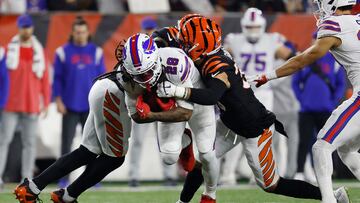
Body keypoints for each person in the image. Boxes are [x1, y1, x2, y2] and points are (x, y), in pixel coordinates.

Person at [155, 15, 349, 203]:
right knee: (202, 160)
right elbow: (167, 35)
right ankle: (182, 201)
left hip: (255, 128)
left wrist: (178, 90)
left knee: (271, 184)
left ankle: (332, 196)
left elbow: (211, 97)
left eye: (187, 40)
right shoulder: (210, 53)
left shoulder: (217, 66)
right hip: (230, 120)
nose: (183, 43)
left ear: (199, 45)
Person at [251, 0, 359, 202]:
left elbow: (304, 59)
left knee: (321, 147)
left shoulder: (335, 26)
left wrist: (268, 76)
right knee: (346, 149)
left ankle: (329, 200)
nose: (318, 9)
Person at [14, 61, 132, 203]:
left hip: (101, 88)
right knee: (115, 158)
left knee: (87, 152)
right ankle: (66, 196)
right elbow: (140, 114)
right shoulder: (152, 60)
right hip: (111, 93)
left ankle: (32, 188)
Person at [123, 33, 219, 203]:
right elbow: (136, 117)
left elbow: (186, 113)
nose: (145, 80)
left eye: (148, 72)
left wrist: (151, 114)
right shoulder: (126, 77)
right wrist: (144, 112)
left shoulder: (174, 62)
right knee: (169, 157)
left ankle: (210, 194)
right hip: (171, 105)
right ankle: (185, 141)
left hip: (196, 103)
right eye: (139, 76)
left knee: (207, 153)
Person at [220, 8, 294, 184]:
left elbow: (292, 57)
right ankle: (229, 173)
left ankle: (263, 173)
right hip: (243, 91)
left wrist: (274, 77)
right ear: (243, 26)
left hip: (262, 92)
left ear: (262, 26)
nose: (253, 30)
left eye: (255, 27)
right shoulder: (234, 40)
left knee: (263, 134)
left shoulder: (272, 40)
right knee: (238, 131)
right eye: (249, 27)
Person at [53, 16, 106, 187]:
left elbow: (103, 80)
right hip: (69, 105)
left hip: (91, 107)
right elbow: (57, 79)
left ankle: (91, 179)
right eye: (77, 32)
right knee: (66, 146)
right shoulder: (62, 52)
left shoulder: (96, 52)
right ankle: (63, 178)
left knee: (93, 147)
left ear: (87, 32)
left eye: (83, 32)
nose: (80, 35)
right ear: (72, 33)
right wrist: (58, 101)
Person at [0, 14, 50, 188]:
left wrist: (46, 100)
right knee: (3, 140)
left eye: (27, 26)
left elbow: (44, 78)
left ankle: (26, 178)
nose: (25, 30)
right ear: (18, 28)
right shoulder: (7, 50)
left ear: (32, 28)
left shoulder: (39, 51)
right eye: (22, 27)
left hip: (32, 103)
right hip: (10, 103)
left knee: (29, 143)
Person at [128, 16, 178, 187]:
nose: (149, 32)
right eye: (146, 29)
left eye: (151, 29)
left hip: (163, 100)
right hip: (144, 101)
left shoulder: (164, 49)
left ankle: (169, 176)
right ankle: (133, 176)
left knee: (165, 139)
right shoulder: (136, 52)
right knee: (137, 141)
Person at [292, 32, 346, 182]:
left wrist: (333, 100)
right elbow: (295, 82)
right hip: (306, 109)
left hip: (326, 109)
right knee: (304, 141)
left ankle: (330, 170)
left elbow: (341, 83)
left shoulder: (335, 59)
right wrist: (302, 100)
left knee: (328, 142)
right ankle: (300, 171)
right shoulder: (305, 57)